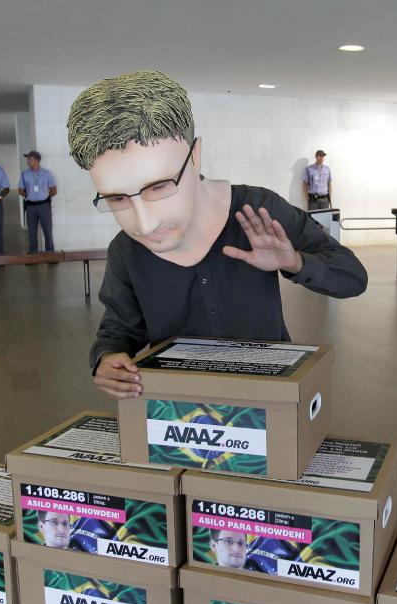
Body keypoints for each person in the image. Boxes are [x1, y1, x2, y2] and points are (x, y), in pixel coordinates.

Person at [68, 71, 367, 399]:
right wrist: (107, 358)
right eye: (117, 199)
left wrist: (295, 262)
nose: (145, 224)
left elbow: (352, 277)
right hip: (180, 406)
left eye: (160, 187)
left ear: (194, 157)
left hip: (270, 393)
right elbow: (119, 330)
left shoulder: (259, 210)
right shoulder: (126, 251)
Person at [18, 150, 58, 253]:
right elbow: (20, 190)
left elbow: (54, 190)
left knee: (47, 232)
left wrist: (46, 196)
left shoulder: (47, 174)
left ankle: (50, 255)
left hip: (44, 206)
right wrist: (24, 193)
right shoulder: (24, 174)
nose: (27, 161)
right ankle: (33, 255)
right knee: (32, 232)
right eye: (27, 159)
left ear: (37, 160)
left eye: (30, 159)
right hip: (30, 207)